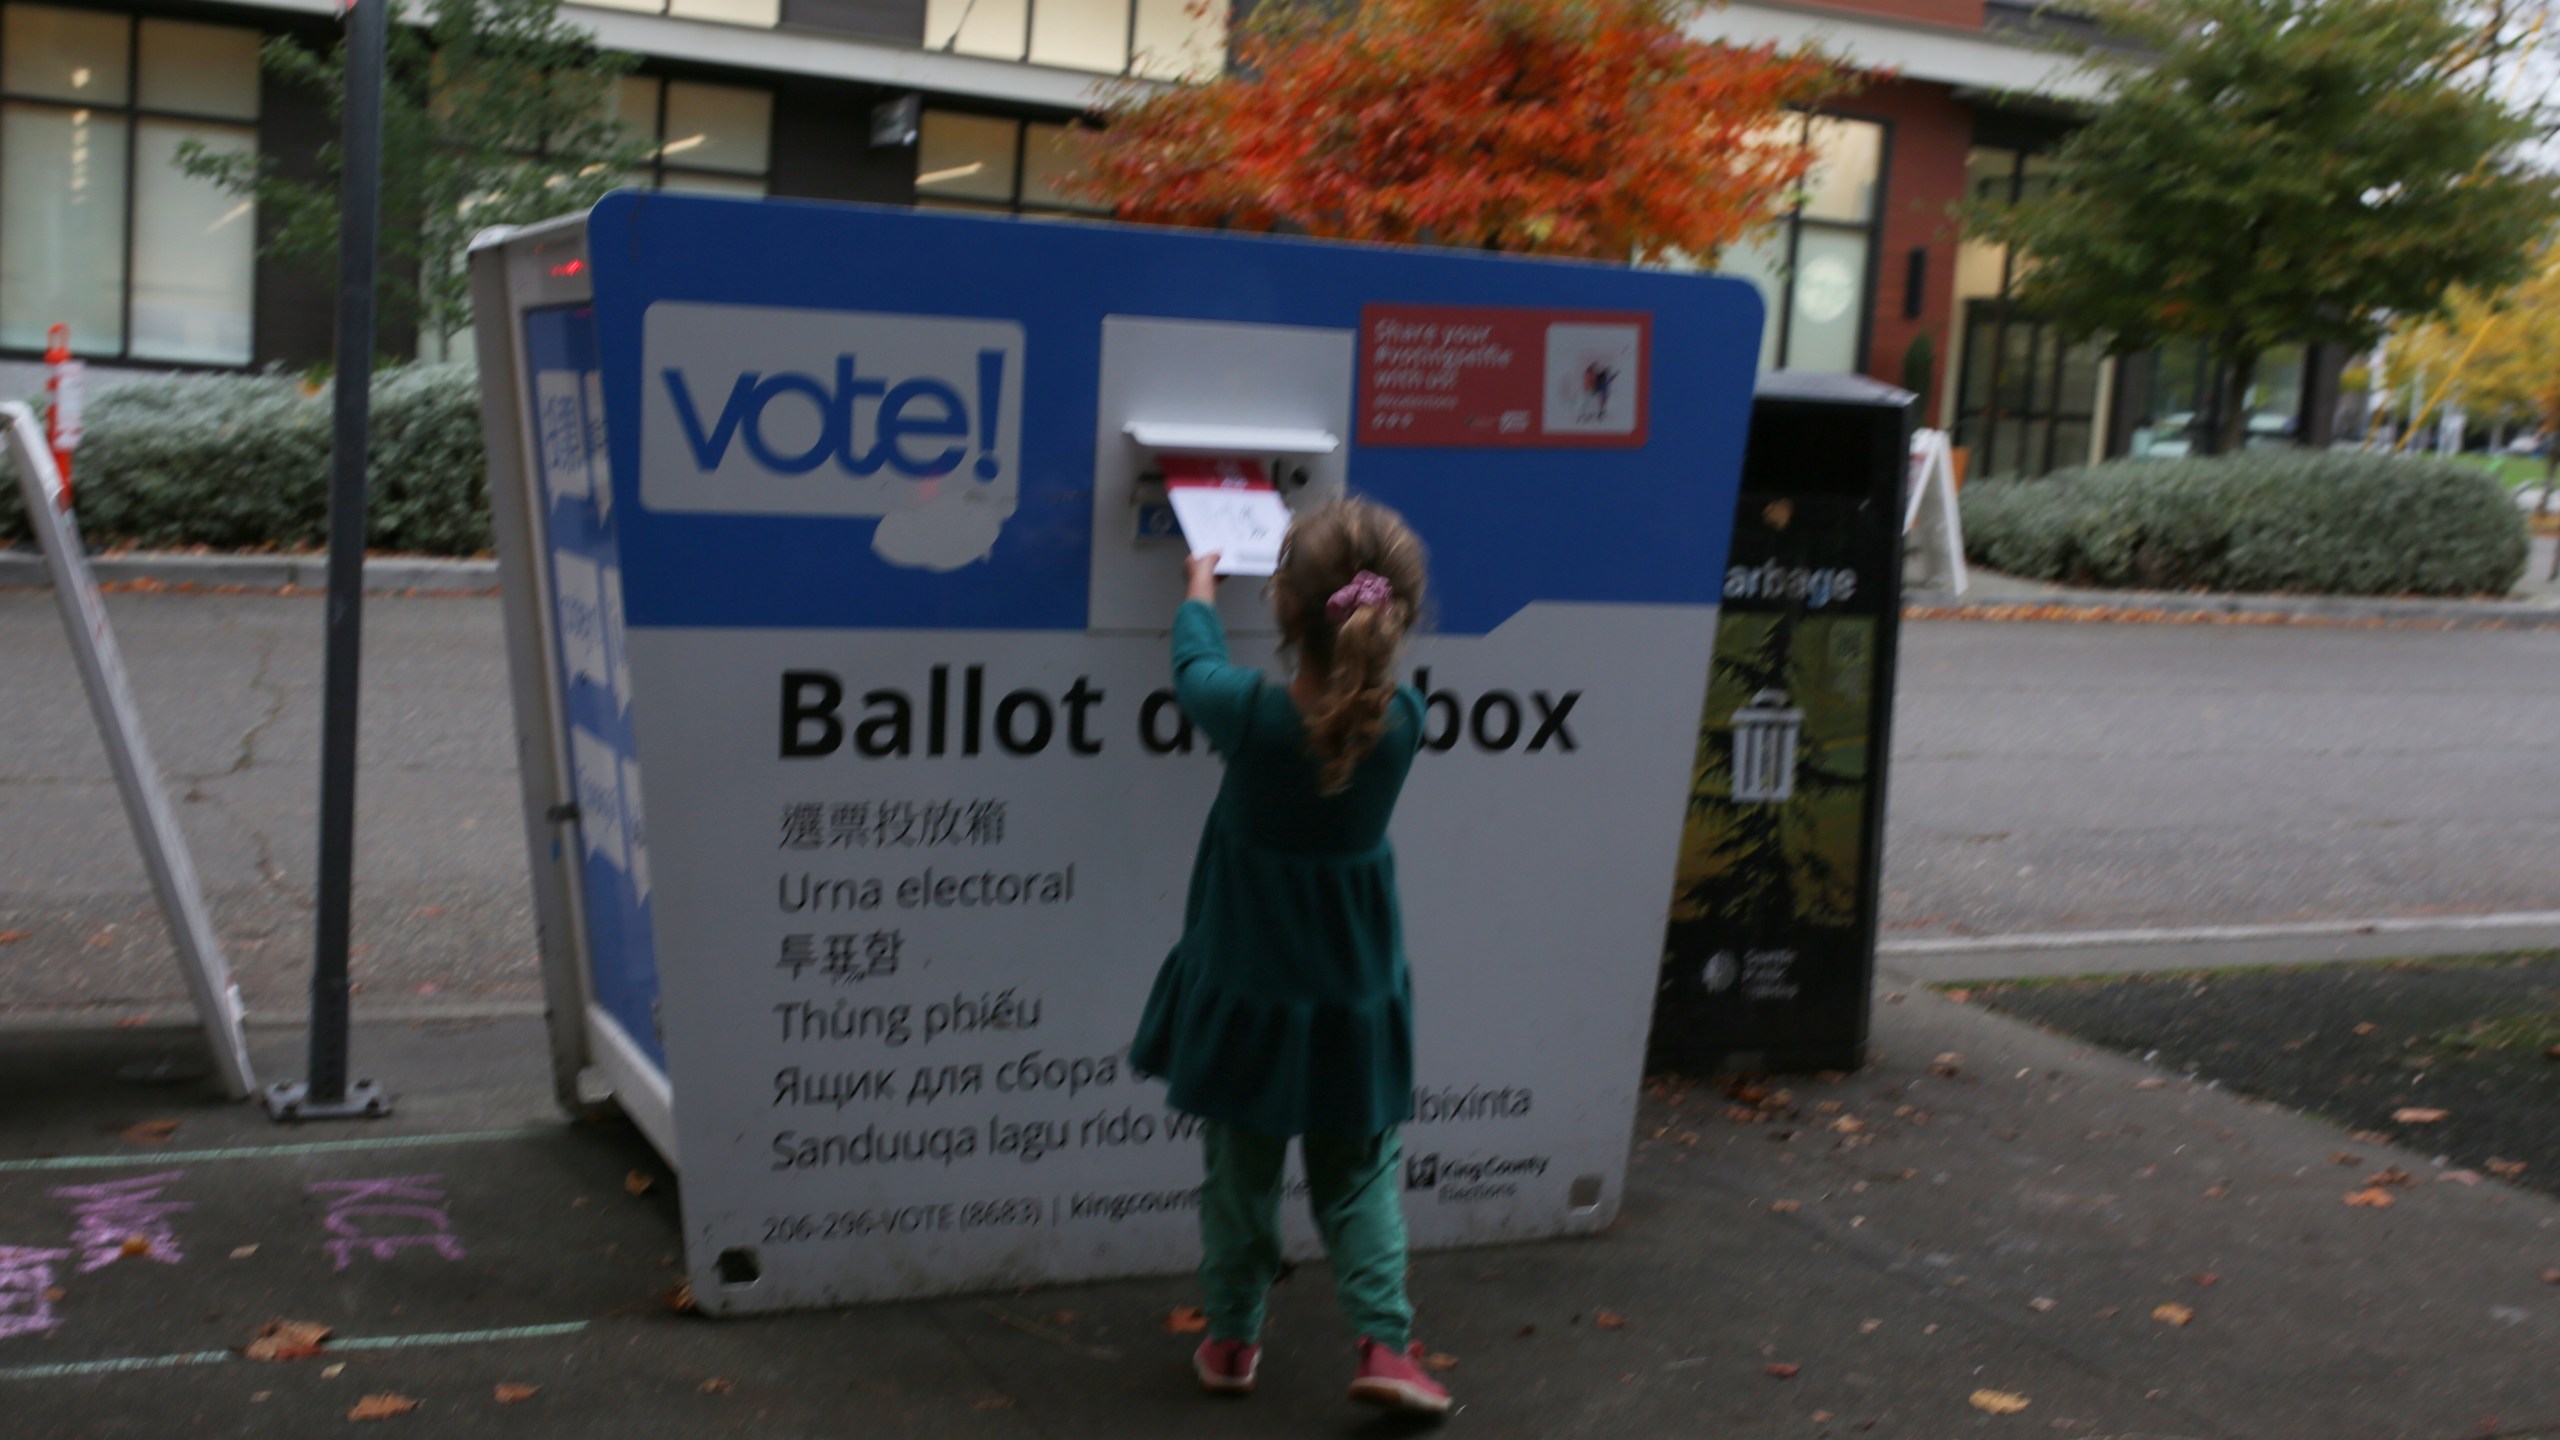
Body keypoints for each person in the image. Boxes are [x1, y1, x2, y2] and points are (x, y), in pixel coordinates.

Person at [1128, 498, 1449, 1416]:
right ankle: (1386, 1344)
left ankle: (1230, 1340)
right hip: (1353, 998)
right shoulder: (1405, 723)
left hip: (1248, 997)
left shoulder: (1253, 719)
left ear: (1283, 608)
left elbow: (1193, 669)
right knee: (1360, 1176)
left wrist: (1196, 588)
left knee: (1239, 1177)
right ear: (1397, 614)